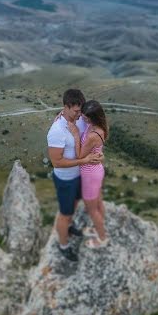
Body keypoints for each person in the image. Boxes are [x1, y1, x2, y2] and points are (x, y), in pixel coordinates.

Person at [47, 88, 103, 262]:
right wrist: (84, 160)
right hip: (65, 179)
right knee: (64, 213)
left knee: (74, 205)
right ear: (66, 107)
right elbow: (57, 162)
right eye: (76, 111)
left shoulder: (78, 119)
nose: (80, 114)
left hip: (78, 175)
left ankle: (70, 226)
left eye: (80, 110)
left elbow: (95, 121)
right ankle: (63, 246)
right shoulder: (57, 131)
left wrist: (98, 152)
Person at [77, 100, 109, 248]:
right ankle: (99, 227)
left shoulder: (92, 136)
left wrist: (73, 133)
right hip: (96, 171)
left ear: (93, 118)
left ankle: (102, 238)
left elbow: (80, 155)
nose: (83, 118)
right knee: (98, 202)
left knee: (92, 208)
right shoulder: (100, 127)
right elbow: (97, 151)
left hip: (90, 174)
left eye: (85, 117)